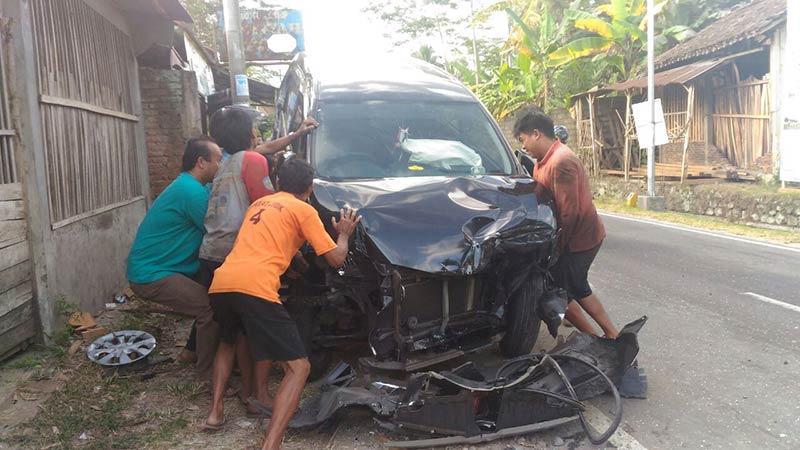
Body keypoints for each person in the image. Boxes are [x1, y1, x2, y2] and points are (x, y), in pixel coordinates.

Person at [202, 159, 360, 450]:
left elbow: (267, 244)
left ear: (277, 183)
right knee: (299, 368)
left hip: (222, 282)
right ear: (310, 188)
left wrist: (292, 260)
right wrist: (344, 234)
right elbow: (336, 259)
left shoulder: (259, 205)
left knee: (227, 343)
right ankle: (271, 444)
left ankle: (215, 413)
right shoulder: (304, 209)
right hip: (256, 287)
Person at [513, 107, 618, 339]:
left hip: (579, 239)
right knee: (572, 288)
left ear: (536, 134)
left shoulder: (561, 161)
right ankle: (602, 336)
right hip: (573, 239)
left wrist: (557, 249)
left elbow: (570, 213)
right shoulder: (544, 159)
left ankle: (602, 336)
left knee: (562, 292)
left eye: (524, 140)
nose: (523, 147)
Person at [126, 137, 223, 379]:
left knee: (207, 293)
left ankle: (190, 353)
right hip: (152, 274)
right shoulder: (190, 192)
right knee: (209, 308)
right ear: (201, 162)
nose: (221, 166)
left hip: (164, 269)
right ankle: (205, 376)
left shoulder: (191, 186)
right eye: (218, 160)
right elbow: (217, 231)